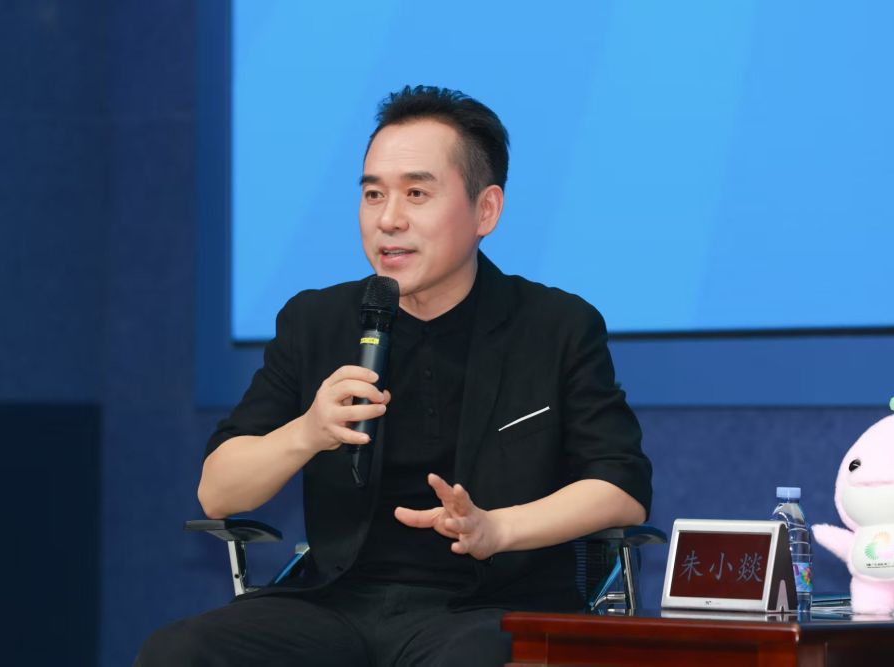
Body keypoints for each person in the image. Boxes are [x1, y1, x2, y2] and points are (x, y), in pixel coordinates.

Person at [136, 85, 652, 666]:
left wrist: (496, 529)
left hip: (488, 607)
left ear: (486, 210)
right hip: (336, 603)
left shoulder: (555, 326)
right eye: (373, 194)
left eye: (416, 193)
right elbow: (218, 491)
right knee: (181, 652)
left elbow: (621, 488)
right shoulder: (317, 321)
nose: (388, 219)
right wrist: (307, 431)